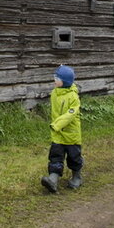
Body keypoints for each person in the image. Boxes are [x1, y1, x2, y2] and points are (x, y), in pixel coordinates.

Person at [41, 64, 82, 193]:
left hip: (71, 135)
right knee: (55, 156)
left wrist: (56, 125)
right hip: (57, 134)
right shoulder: (55, 93)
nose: (54, 80)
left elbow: (70, 115)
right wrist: (56, 128)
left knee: (74, 157)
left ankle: (77, 177)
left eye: (57, 78)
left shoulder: (73, 97)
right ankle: (53, 179)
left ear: (64, 81)